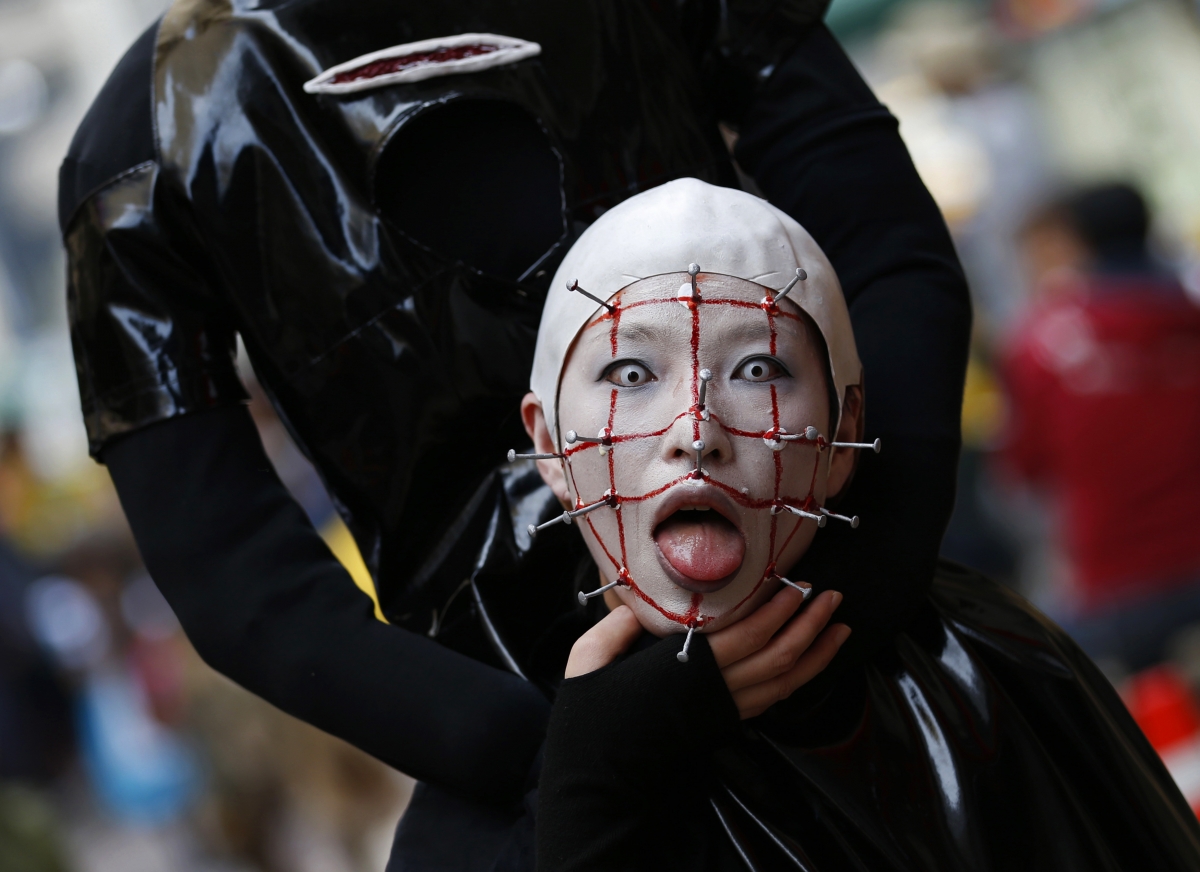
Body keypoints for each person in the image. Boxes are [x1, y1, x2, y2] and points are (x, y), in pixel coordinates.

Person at [61, 4, 974, 866]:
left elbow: (890, 251)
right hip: (555, 750)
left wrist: (857, 586)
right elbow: (231, 572)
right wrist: (555, 742)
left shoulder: (145, 133)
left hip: (819, 657)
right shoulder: (140, 143)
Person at [525, 179, 1200, 869]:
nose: (697, 433)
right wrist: (591, 782)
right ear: (546, 442)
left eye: (758, 368)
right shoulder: (489, 783)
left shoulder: (995, 681)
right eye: (631, 373)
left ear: (845, 430)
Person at [999, 183, 1200, 671]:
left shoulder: (1042, 343)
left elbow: (1022, 473)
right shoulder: (1188, 317)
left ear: (1078, 243)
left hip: (1117, 593)